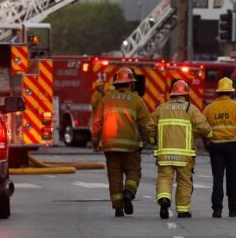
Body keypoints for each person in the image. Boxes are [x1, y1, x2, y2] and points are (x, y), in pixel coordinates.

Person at [91, 67, 150, 217]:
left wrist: (95, 141)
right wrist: (147, 139)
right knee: (133, 172)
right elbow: (145, 124)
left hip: (110, 145)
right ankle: (128, 193)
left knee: (114, 175)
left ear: (117, 83)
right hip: (131, 146)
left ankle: (118, 207)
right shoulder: (137, 100)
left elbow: (97, 123)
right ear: (131, 84)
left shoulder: (106, 99)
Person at [149, 80, 212, 219]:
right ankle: (183, 210)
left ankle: (164, 199)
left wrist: (153, 140)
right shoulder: (191, 108)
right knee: (184, 181)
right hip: (185, 155)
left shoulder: (161, 108)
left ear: (173, 94)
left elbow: (150, 127)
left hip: (164, 154)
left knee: (165, 178)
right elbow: (203, 127)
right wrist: (209, 135)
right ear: (186, 94)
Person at [202, 77, 236, 218]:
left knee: (217, 178)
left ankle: (217, 209)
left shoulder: (209, 108)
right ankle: (233, 207)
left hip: (216, 146)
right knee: (232, 177)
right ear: (231, 92)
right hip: (234, 146)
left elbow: (202, 126)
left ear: (218, 92)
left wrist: (207, 142)